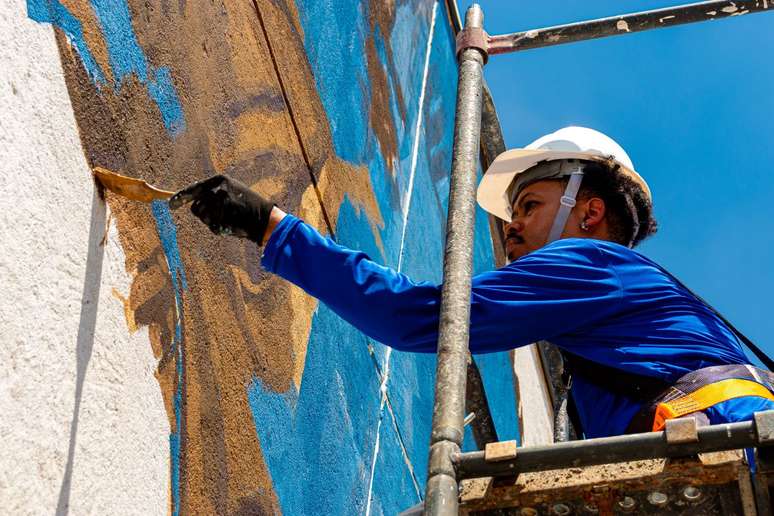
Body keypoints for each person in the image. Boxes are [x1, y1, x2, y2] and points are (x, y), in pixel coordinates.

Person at [170, 126, 774, 439]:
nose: (511, 229)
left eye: (529, 206)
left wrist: (272, 228)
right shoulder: (626, 313)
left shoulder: (593, 265)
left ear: (589, 213)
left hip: (727, 441)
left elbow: (419, 316)